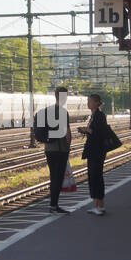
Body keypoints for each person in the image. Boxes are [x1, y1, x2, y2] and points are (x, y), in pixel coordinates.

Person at [36, 86, 74, 214]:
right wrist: (68, 147)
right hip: (61, 150)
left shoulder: (47, 111)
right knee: (58, 178)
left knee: (54, 177)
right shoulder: (63, 112)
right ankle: (54, 205)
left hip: (49, 149)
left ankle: (53, 204)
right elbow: (67, 133)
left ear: (55, 96)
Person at [79, 92, 110, 215]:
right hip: (94, 150)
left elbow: (99, 132)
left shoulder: (99, 116)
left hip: (96, 151)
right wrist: (86, 131)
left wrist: (87, 130)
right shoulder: (93, 116)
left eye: (90, 101)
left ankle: (98, 206)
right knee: (95, 177)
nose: (88, 103)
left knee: (95, 177)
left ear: (97, 103)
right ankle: (98, 205)